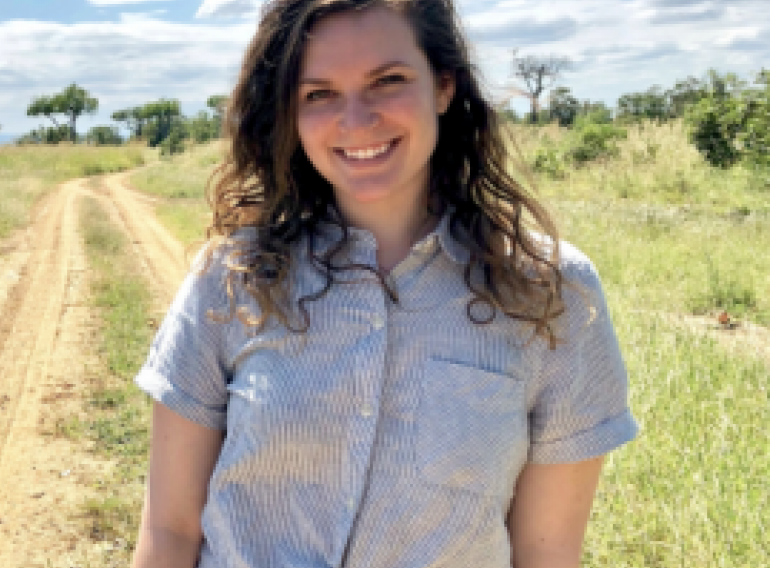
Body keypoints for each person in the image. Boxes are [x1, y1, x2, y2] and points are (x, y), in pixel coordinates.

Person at [131, 0, 639, 566]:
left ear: (443, 86)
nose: (356, 120)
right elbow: (171, 529)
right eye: (319, 93)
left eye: (388, 81)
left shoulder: (552, 294)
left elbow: (546, 553)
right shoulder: (231, 279)